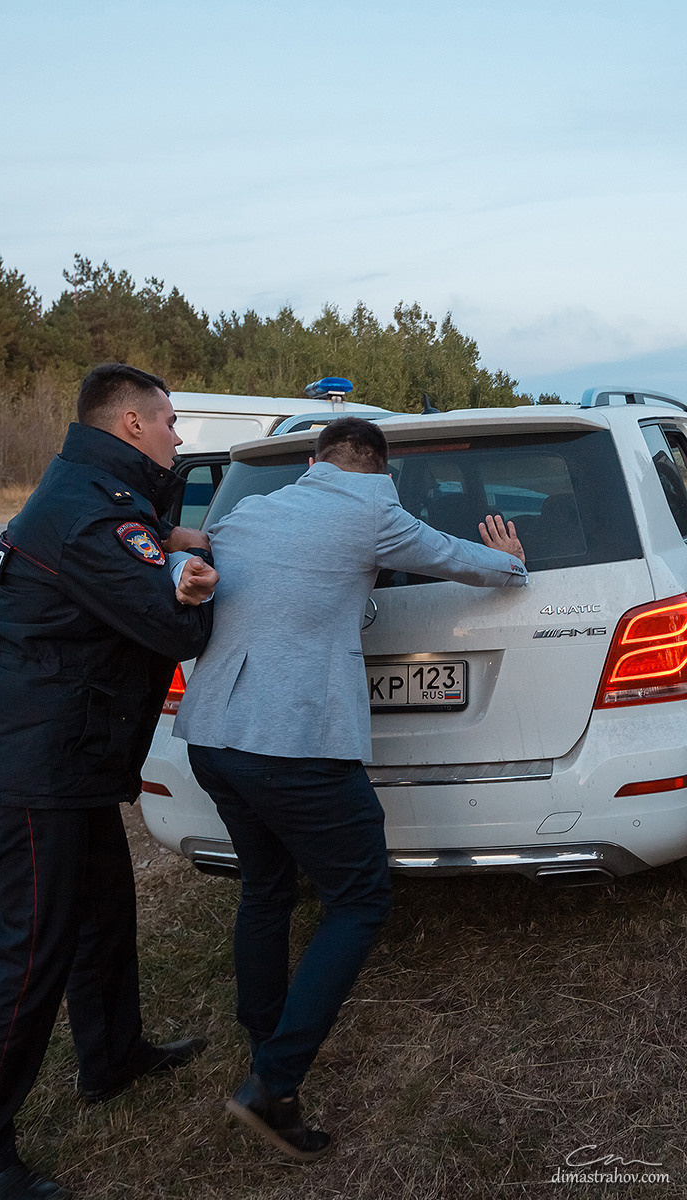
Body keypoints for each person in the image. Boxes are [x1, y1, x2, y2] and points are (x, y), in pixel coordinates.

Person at [173, 416, 527, 1162]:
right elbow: (459, 561)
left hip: (211, 736)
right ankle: (272, 1082)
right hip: (291, 745)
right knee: (360, 899)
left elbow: (206, 560)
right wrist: (511, 563)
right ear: (380, 469)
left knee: (266, 890)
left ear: (312, 461)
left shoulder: (247, 510)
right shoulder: (375, 511)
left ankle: (266, 1044)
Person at [0, 364, 218, 1200]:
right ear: (129, 424)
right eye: (168, 421)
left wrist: (170, 542)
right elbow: (170, 625)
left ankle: (112, 1056)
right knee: (32, 955)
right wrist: (194, 588)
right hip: (33, 767)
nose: (178, 435)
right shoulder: (92, 510)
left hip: (67, 757)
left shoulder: (98, 493)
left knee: (103, 914)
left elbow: (124, 565)